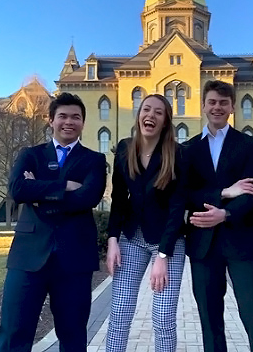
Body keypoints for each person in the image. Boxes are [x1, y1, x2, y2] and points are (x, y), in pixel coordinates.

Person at [0, 92, 107, 352]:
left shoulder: (94, 160)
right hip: (28, 255)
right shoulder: (30, 155)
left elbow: (86, 198)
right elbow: (18, 190)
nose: (69, 122)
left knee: (73, 336)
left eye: (76, 117)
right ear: (51, 120)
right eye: (63, 116)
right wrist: (64, 186)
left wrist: (39, 191)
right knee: (13, 333)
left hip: (74, 259)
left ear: (83, 123)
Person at [183, 79, 253, 352]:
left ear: (232, 106)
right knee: (210, 322)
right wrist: (223, 191)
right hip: (203, 245)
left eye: (223, 102)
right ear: (203, 105)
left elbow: (251, 191)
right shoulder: (187, 149)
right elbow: (185, 195)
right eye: (212, 102)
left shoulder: (248, 144)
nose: (217, 107)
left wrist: (224, 214)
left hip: (242, 240)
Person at [106, 94, 185, 352]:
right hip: (131, 237)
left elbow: (177, 208)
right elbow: (118, 199)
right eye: (146, 109)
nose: (150, 115)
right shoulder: (125, 149)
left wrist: (163, 255)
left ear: (165, 122)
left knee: (163, 320)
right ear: (139, 115)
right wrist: (112, 240)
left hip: (167, 240)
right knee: (119, 315)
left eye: (158, 112)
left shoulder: (177, 154)